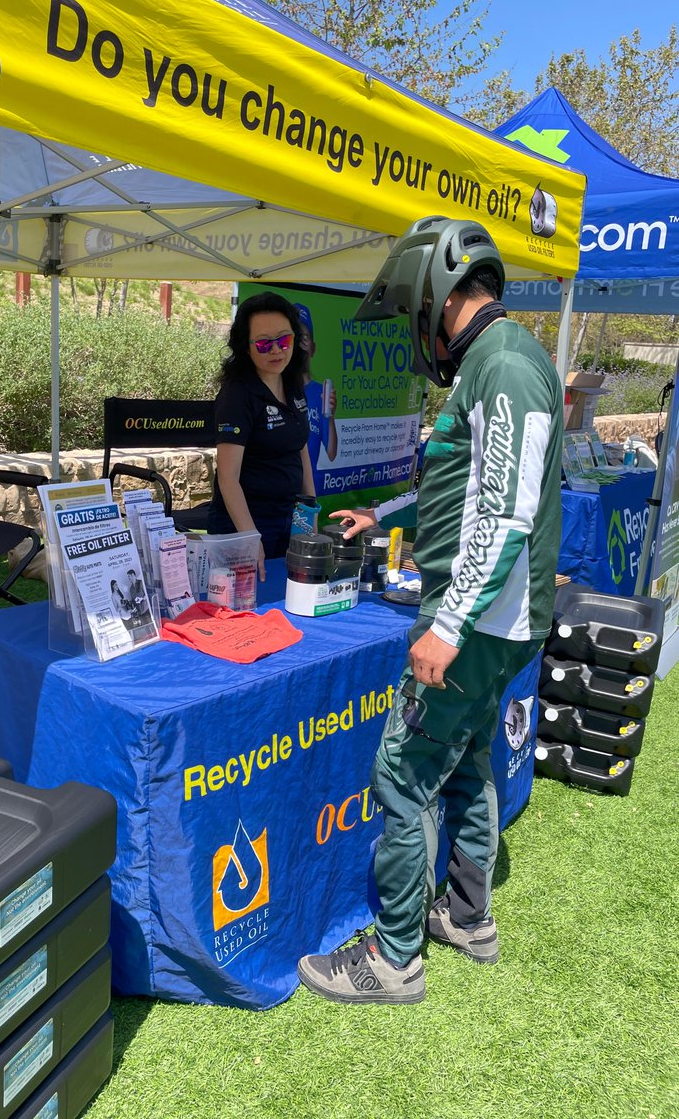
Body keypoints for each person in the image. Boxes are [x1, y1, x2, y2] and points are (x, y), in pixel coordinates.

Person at [297, 215, 563, 1005]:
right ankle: (468, 917)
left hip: (477, 623)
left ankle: (394, 958)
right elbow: (466, 480)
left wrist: (447, 627)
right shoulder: (494, 360)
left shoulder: (505, 364)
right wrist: (391, 514)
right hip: (491, 620)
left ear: (434, 296)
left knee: (403, 775)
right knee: (470, 758)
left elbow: (505, 512)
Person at [207, 291, 315, 578]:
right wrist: (249, 538)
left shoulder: (293, 384)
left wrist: (309, 513)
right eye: (264, 344)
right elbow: (228, 478)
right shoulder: (237, 395)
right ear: (246, 346)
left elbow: (300, 448)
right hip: (245, 522)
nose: (277, 350)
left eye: (284, 340)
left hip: (288, 518)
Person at [295, 303, 339, 470]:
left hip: (308, 492)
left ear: (313, 348)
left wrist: (331, 417)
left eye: (304, 338)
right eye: (295, 338)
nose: (299, 344)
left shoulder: (321, 393)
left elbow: (332, 453)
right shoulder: (277, 390)